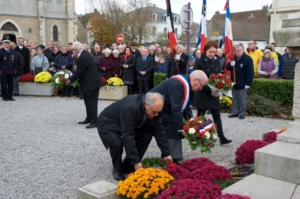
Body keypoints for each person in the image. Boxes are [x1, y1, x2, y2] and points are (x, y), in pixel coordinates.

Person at [97, 92, 172, 180]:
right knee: (117, 143)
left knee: (146, 136)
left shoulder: (155, 109)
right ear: (146, 105)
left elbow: (159, 129)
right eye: (155, 112)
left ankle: (128, 165)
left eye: (159, 112)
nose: (157, 115)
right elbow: (128, 134)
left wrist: (166, 153)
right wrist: (136, 161)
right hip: (109, 122)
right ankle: (118, 169)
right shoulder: (131, 107)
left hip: (129, 122)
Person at [149, 70, 208, 163]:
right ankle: (170, 158)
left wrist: (192, 122)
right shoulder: (178, 84)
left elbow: (185, 106)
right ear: (196, 80)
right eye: (201, 85)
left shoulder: (189, 86)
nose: (201, 88)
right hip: (153, 109)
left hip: (166, 109)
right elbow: (176, 107)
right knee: (173, 125)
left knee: (176, 122)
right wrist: (181, 128)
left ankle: (173, 156)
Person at [192, 41, 232, 145]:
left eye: (214, 52)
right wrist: (209, 89)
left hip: (214, 93)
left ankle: (221, 137)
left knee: (217, 115)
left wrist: (220, 85)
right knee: (200, 116)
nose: (212, 54)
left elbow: (218, 76)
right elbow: (196, 78)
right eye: (210, 52)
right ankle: (197, 136)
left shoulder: (217, 61)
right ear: (205, 50)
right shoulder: (199, 62)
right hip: (203, 92)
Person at [66, 42, 103, 129]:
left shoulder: (83, 57)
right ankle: (89, 118)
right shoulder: (84, 54)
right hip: (88, 82)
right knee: (87, 101)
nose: (72, 51)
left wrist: (69, 80)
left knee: (92, 103)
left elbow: (79, 72)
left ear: (75, 50)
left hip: (91, 83)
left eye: (73, 50)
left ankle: (94, 121)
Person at [226, 43, 254, 119]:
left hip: (243, 82)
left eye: (238, 50)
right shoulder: (234, 58)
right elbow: (227, 67)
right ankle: (235, 112)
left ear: (243, 50)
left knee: (242, 99)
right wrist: (231, 64)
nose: (237, 52)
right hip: (234, 82)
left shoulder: (247, 59)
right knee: (235, 98)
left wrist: (248, 83)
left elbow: (250, 72)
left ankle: (242, 113)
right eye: (236, 50)